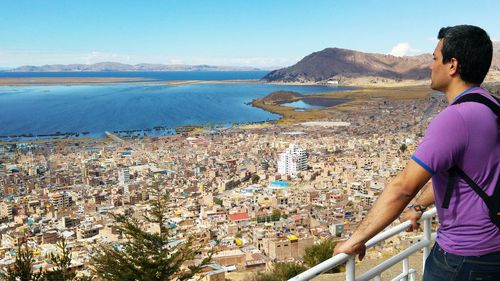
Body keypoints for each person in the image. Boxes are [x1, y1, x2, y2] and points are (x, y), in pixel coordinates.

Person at [333, 25, 500, 280]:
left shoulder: (455, 119)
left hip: (462, 259)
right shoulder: (492, 106)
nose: (429, 66)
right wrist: (421, 206)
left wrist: (356, 239)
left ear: (452, 65)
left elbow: (402, 187)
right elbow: (465, 172)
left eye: (434, 58)